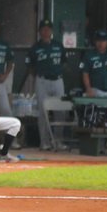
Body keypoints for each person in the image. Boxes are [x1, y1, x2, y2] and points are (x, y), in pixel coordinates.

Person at [26, 19, 67, 151]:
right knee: (42, 112)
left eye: (48, 29)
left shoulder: (58, 45)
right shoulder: (35, 48)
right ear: (39, 31)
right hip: (42, 80)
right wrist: (39, 75)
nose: (46, 31)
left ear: (51, 31)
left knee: (60, 111)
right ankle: (44, 142)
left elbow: (64, 63)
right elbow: (30, 67)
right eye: (43, 29)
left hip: (57, 80)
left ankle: (58, 141)